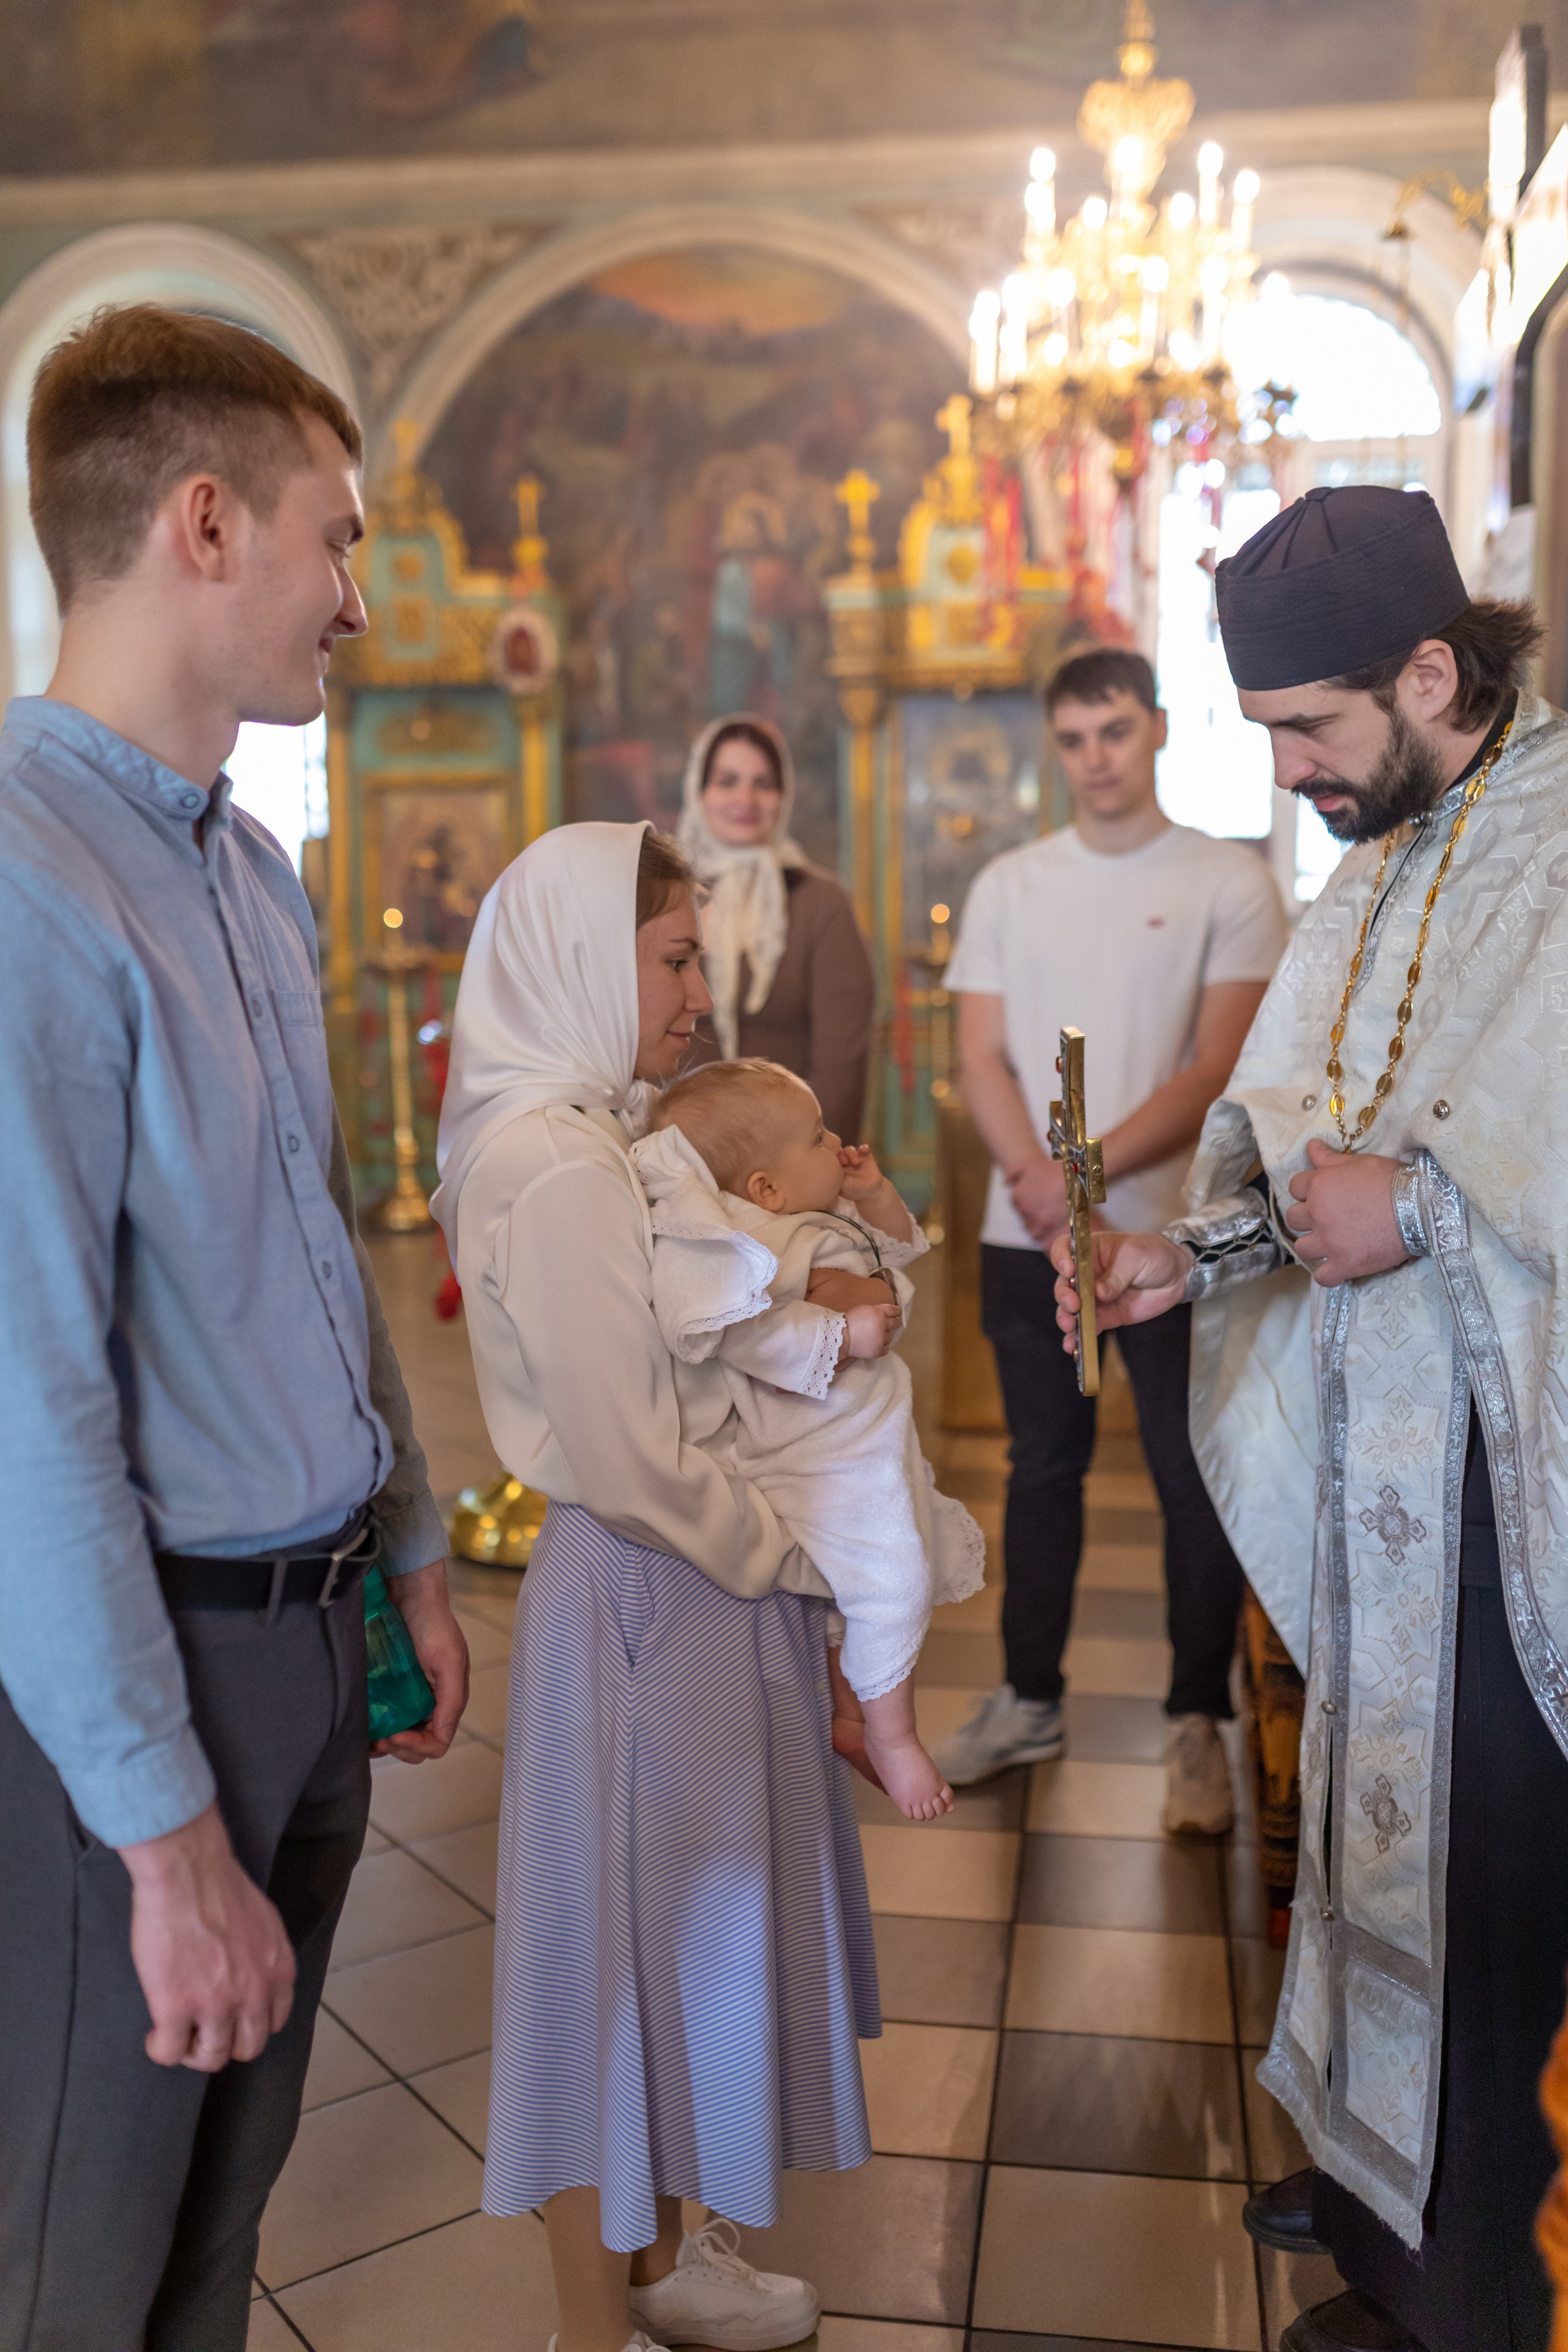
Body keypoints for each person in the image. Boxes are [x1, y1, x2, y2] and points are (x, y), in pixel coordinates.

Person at [1049, 485, 1568, 2352]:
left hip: (1508, 1497)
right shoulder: (1378, 864)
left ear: (1432, 671)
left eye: (1309, 729)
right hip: (1375, 1485)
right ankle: (1372, 2195)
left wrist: (1422, 1207)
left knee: (1489, 1875)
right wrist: (1193, 1256)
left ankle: (1472, 2293)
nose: (1289, 774)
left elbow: (1472, 1153)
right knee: (1372, 1839)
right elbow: (1298, 1139)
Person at [0, 305, 468, 2352]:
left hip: (309, 1641)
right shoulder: (27, 880)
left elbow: (313, 1254)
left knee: (216, 2232)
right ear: (207, 525)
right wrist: (163, 1834)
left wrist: (420, 1546)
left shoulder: (252, 871)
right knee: (78, 2265)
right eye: (335, 539)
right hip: (139, 1686)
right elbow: (28, 1410)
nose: (355, 599)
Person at [432, 823, 878, 2352]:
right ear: (575, 955)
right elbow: (625, 1452)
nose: (700, 991)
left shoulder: (595, 1131)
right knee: (609, 1972)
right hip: (648, 1584)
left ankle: (658, 2264)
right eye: (675, 957)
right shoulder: (554, 1168)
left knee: (674, 1938)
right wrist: (788, 1553)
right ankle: (588, 2321)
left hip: (681, 1582)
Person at [935, 647, 1286, 1832]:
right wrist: (1038, 1189)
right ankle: (1029, 1693)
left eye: (1117, 733)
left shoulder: (1227, 881)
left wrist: (1080, 1174)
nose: (1097, 759)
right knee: (1041, 1469)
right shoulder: (1010, 885)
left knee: (1192, 1476)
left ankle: (1197, 1721)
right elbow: (977, 1052)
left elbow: (1216, 1067)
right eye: (1076, 738)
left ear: (1159, 730)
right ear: (1056, 745)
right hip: (1021, 1228)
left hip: (1176, 1236)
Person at [631, 1058, 986, 1817]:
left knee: (843, 1593)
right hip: (816, 1451)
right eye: (819, 1137)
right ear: (765, 1188)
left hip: (861, 1439)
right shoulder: (752, 1247)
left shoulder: (810, 1220)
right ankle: (895, 1739)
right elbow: (744, 1336)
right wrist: (841, 1332)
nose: (839, 1144)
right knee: (891, 1580)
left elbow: (897, 1253)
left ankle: (854, 1720)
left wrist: (876, 1197)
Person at [679, 712, 876, 1142]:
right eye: (727, 781)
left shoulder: (823, 904)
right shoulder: (663, 899)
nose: (745, 799)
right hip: (673, 1151)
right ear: (698, 791)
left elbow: (840, 1068)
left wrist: (799, 1163)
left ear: (784, 797)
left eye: (763, 783)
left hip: (789, 1159)